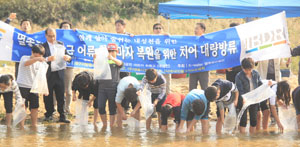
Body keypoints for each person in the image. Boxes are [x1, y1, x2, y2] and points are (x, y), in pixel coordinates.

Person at [42, 28, 71, 123]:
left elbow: (69, 56)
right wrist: (47, 59)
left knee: (61, 94)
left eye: (54, 35)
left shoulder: (60, 44)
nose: (52, 38)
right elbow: (38, 59)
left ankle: (62, 115)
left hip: (59, 73)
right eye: (50, 36)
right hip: (48, 74)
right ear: (46, 36)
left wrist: (68, 57)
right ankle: (49, 114)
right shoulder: (42, 46)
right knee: (48, 95)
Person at [17, 44, 46, 128]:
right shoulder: (24, 58)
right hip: (23, 86)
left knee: (35, 107)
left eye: (40, 55)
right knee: (23, 106)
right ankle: (21, 126)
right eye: (37, 55)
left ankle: (34, 125)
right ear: (32, 52)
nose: (39, 57)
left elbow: (42, 76)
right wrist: (36, 59)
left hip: (34, 87)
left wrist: (44, 89)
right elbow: (26, 63)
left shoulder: (40, 63)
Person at [95, 43, 123, 128]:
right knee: (101, 106)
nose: (110, 53)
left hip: (113, 87)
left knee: (112, 108)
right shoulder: (103, 61)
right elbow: (96, 66)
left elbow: (121, 64)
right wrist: (95, 59)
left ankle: (111, 126)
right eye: (109, 51)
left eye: (112, 51)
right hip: (102, 87)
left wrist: (112, 58)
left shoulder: (116, 61)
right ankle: (104, 125)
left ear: (116, 52)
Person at [235, 57, 263, 134]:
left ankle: (252, 138)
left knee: (253, 120)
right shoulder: (238, 76)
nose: (248, 71)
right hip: (243, 99)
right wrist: (244, 98)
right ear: (242, 68)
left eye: (249, 69)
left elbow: (260, 84)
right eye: (246, 70)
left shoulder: (256, 73)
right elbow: (240, 89)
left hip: (254, 99)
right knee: (243, 120)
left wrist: (267, 84)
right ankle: (242, 140)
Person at [189, 22, 209, 92]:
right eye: (195, 29)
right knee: (192, 88)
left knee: (204, 87)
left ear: (202, 30)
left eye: (197, 28)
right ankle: (192, 102)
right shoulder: (191, 40)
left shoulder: (207, 40)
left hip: (203, 68)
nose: (195, 30)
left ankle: (206, 103)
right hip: (193, 67)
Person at [152, 23, 171, 95]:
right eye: (156, 28)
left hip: (165, 65)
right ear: (153, 30)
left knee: (167, 86)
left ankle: (167, 103)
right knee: (155, 86)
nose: (158, 30)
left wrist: (168, 36)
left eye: (160, 28)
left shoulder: (166, 37)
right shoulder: (149, 39)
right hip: (155, 66)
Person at [59, 21, 73, 115]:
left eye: (67, 27)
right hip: (57, 66)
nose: (65, 28)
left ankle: (67, 109)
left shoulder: (73, 38)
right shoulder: (56, 38)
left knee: (68, 89)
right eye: (63, 27)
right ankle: (55, 108)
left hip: (69, 66)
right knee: (57, 89)